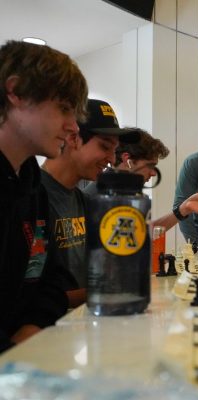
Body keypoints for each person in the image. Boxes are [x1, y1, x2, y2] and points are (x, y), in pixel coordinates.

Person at [0, 40, 88, 352]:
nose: (73, 126)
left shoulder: (30, 180)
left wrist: (32, 327)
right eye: (63, 108)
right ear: (16, 92)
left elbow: (50, 275)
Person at [41, 98, 141, 308]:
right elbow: (27, 296)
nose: (112, 159)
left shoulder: (83, 201)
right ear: (73, 138)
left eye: (114, 150)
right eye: (105, 146)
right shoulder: (32, 198)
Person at [85, 127, 198, 232]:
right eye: (150, 166)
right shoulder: (97, 196)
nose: (153, 173)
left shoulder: (127, 194)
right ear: (127, 160)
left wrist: (185, 208)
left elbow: (141, 232)